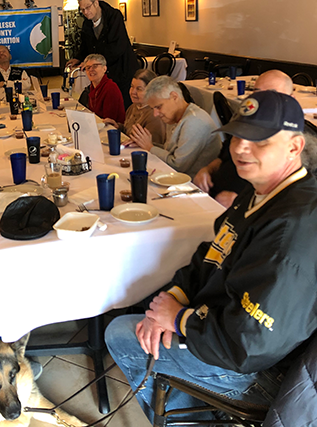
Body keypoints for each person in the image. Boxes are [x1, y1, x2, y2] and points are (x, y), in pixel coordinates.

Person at [105, 90, 317, 423]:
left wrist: (178, 319)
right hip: (222, 326)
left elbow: (250, 344)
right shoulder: (260, 189)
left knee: (119, 333)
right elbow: (211, 254)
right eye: (236, 137)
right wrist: (173, 299)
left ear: (294, 147)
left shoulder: (292, 229)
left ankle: (191, 417)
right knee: (146, 305)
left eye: (259, 140)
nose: (240, 149)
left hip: (260, 372)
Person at [194, 69, 294, 207]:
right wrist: (207, 170)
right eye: (257, 92)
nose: (261, 100)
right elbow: (224, 157)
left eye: (271, 94)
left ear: (291, 98)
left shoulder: (292, 138)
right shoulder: (245, 121)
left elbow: (295, 197)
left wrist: (245, 203)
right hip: (211, 196)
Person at [131, 76, 221, 179]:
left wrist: (150, 147)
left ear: (174, 97)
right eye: (153, 109)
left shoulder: (194, 122)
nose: (155, 114)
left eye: (158, 107)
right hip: (178, 180)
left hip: (194, 185)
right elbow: (170, 152)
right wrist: (143, 143)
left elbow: (177, 166)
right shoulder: (174, 117)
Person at [67, 0, 139, 110]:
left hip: (122, 68)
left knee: (122, 105)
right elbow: (86, 46)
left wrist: (93, 62)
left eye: (88, 7)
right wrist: (79, 58)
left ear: (96, 3)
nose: (85, 12)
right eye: (82, 9)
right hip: (104, 72)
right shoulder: (87, 23)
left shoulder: (114, 17)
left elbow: (117, 47)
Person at [104, 69, 165, 146]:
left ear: (151, 92)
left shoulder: (154, 116)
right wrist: (118, 126)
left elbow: (154, 146)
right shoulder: (133, 107)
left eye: (139, 89)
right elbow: (128, 131)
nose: (133, 92)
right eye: (132, 87)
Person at [83, 54, 125, 123]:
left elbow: (109, 119)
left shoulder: (110, 88)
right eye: (88, 67)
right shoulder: (92, 87)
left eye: (95, 66)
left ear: (104, 69)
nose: (91, 70)